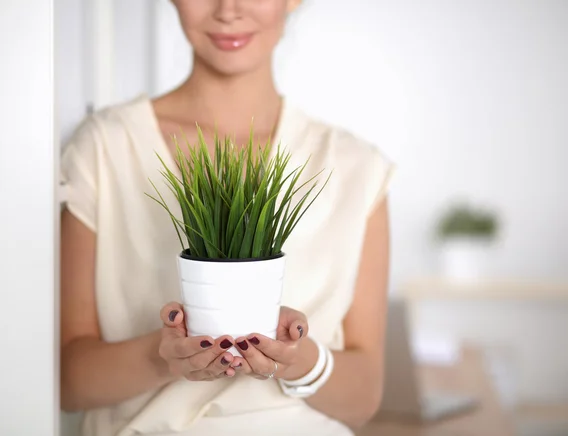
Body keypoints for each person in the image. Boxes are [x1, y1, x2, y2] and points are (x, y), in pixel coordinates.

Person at [60, 1, 394, 435]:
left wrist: (300, 359)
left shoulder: (354, 167)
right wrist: (163, 356)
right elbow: (68, 383)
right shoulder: (104, 148)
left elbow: (364, 399)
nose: (228, 9)